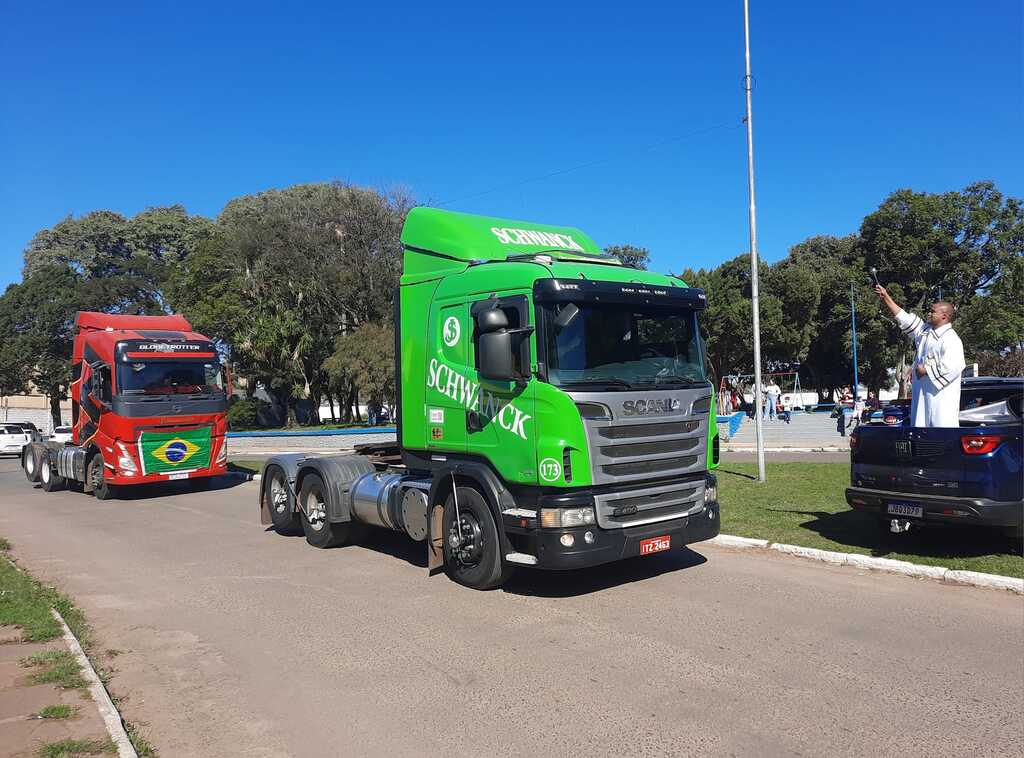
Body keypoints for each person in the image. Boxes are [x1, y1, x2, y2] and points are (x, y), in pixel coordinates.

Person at [875, 285, 965, 428]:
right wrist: (886, 297)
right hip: (921, 401)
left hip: (940, 405)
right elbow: (904, 318)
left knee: (939, 438)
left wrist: (926, 370)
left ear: (944, 316)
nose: (928, 314)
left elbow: (955, 366)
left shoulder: (951, 339)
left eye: (932, 311)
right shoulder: (925, 332)